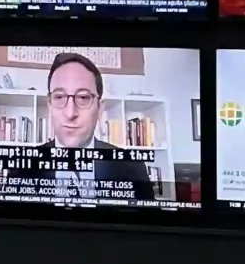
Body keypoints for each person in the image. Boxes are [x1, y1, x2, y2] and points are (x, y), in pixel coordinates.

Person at [26, 52, 157, 205]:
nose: (70, 113)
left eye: (83, 97)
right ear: (49, 106)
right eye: (59, 97)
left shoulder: (132, 168)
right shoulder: (22, 168)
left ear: (100, 108)